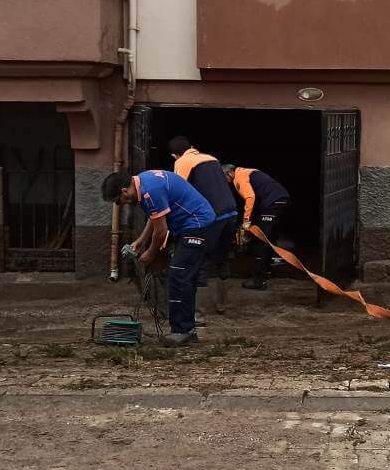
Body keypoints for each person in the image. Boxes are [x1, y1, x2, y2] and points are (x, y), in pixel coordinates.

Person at [102, 170, 216, 346]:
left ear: (124, 191)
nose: (123, 204)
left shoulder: (150, 190)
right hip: (191, 225)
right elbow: (155, 217)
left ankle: (182, 331)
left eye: (120, 201)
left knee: (178, 276)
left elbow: (161, 231)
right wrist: (140, 242)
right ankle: (187, 331)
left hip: (197, 224)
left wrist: (150, 253)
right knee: (183, 277)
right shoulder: (145, 182)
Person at [169, 137, 239, 316]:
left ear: (174, 155)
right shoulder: (211, 158)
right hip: (231, 212)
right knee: (222, 258)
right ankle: (222, 305)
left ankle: (197, 311)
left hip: (210, 216)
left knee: (198, 259)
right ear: (191, 147)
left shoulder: (183, 162)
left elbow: (178, 191)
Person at [221, 164, 290, 290]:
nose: (225, 182)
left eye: (223, 178)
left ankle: (258, 280)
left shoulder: (239, 177)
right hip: (281, 200)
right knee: (269, 240)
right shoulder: (248, 172)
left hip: (272, 202)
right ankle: (266, 271)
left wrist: (246, 221)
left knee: (261, 241)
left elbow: (250, 197)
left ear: (229, 174)